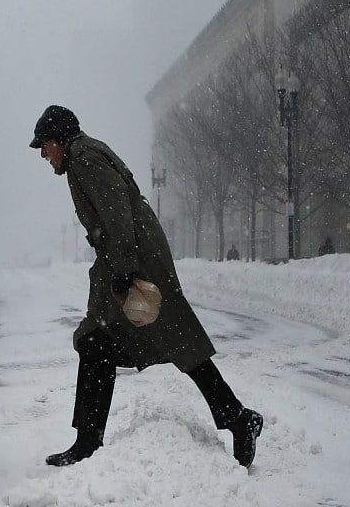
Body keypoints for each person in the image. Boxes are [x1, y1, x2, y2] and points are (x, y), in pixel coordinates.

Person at [30, 105, 263, 468]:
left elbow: (117, 211)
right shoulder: (81, 156)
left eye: (45, 146)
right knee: (105, 342)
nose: (44, 155)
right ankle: (89, 440)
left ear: (59, 138)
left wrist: (124, 270)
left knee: (165, 341)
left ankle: (236, 417)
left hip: (138, 261)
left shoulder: (85, 158)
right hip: (130, 257)